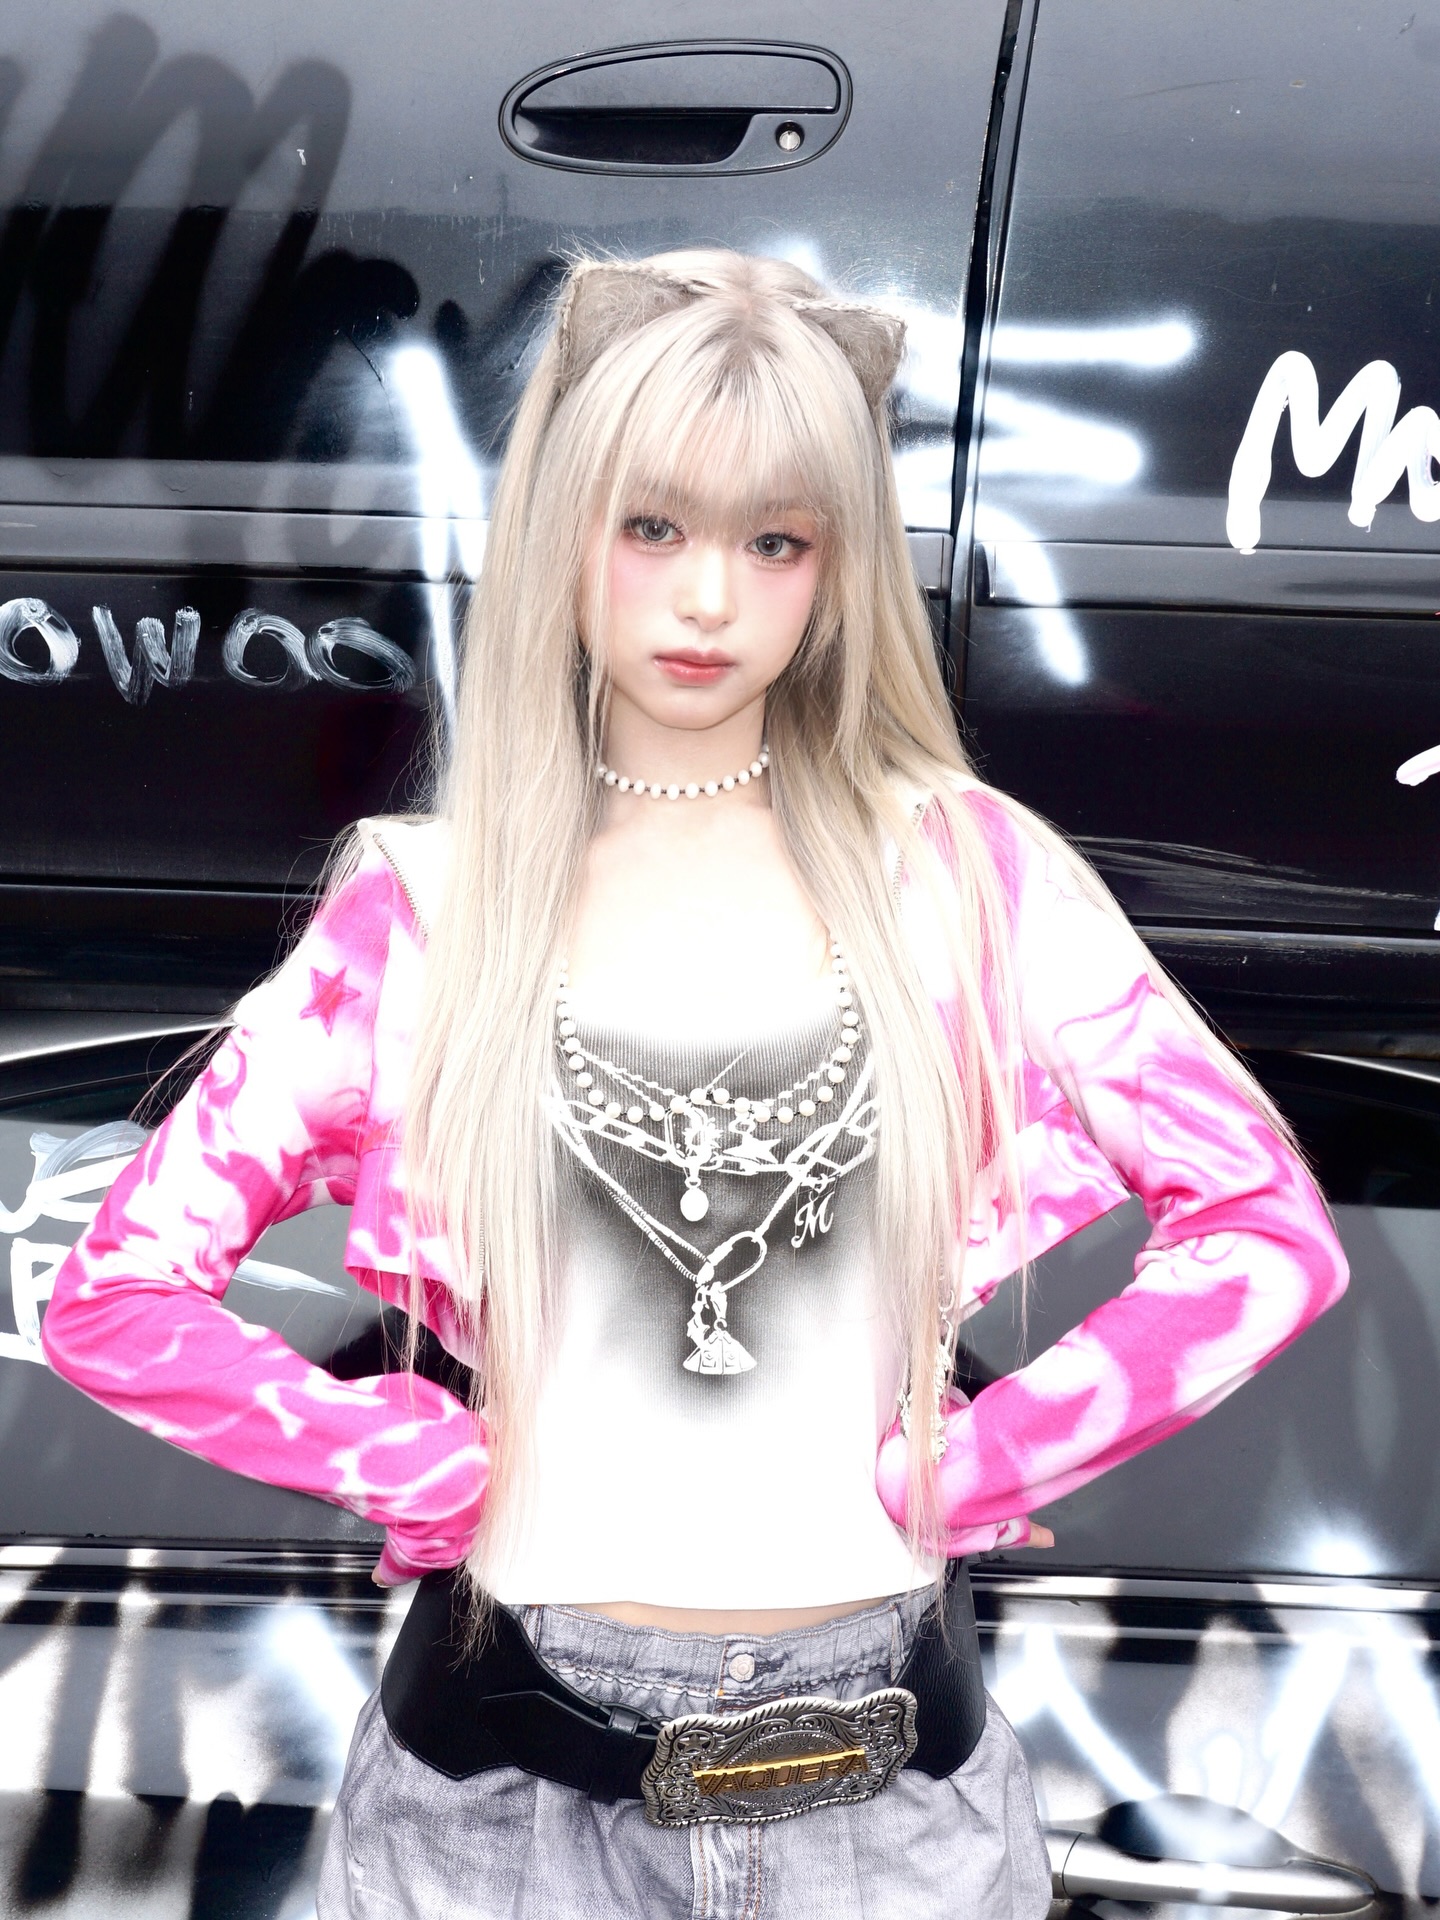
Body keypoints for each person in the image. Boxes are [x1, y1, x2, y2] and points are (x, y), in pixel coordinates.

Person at [40, 251, 1349, 1919]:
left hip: (887, 1808)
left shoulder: (970, 878)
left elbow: (1264, 1229)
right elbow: (118, 1294)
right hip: (502, 1809)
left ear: (837, 567)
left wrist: (996, 1458)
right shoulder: (426, 913)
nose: (709, 600)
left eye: (774, 542)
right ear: (565, 530)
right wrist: (401, 1460)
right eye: (652, 527)